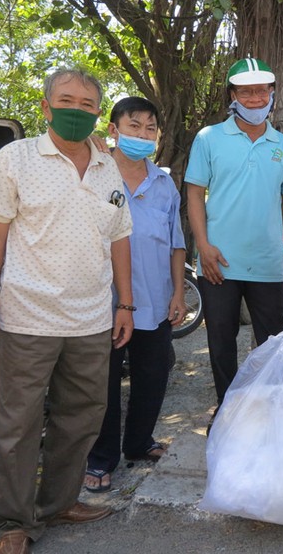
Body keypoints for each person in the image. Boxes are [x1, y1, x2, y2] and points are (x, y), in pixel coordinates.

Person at [0, 68, 134, 553]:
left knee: (82, 416)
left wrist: (125, 303)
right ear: (47, 106)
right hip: (26, 316)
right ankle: (13, 520)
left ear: (98, 112)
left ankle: (57, 503)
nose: (77, 109)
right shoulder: (16, 159)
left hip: (92, 319)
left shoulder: (107, 165)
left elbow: (118, 237)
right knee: (19, 424)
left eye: (88, 103)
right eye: (67, 100)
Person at [185, 58, 283, 425]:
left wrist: (274, 235)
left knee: (272, 339)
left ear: (272, 95)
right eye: (246, 91)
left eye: (262, 91)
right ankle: (228, 405)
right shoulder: (209, 138)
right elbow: (193, 194)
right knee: (221, 337)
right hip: (218, 259)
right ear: (233, 95)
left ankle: (268, 405)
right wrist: (202, 246)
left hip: (267, 261)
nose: (255, 98)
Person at [84, 97, 186, 493]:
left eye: (150, 129)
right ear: (113, 130)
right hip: (101, 302)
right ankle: (100, 458)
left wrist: (178, 293)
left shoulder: (164, 183)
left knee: (153, 375)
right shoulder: (93, 174)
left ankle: (139, 443)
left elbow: (177, 243)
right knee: (102, 384)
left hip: (155, 299)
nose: (142, 135)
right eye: (133, 126)